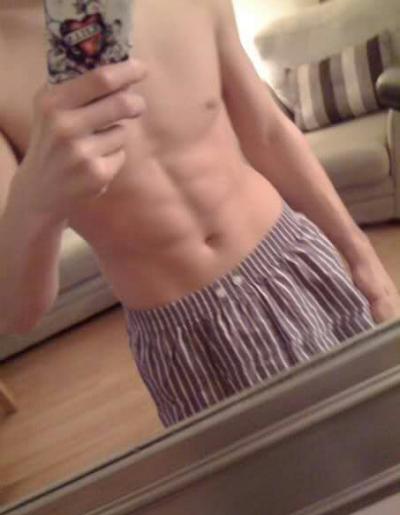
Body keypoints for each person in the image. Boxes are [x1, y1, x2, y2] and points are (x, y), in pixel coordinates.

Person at [1, 0, 399, 427]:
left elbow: (269, 133)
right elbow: (17, 313)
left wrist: (362, 257)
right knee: (274, 465)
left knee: (380, 424)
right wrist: (35, 200)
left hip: (292, 263)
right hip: (182, 334)